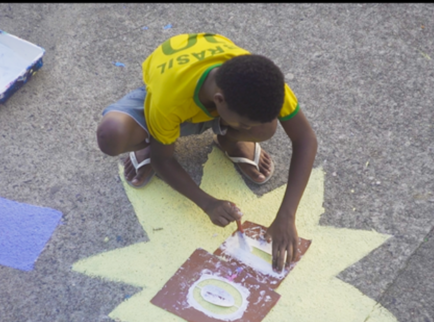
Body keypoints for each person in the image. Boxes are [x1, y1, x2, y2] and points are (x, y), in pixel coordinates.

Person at [96, 33, 317, 271]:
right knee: (112, 135)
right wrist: (208, 203)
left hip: (206, 101)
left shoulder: (264, 83)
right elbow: (164, 160)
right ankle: (151, 138)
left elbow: (305, 139)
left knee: (267, 125)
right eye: (244, 124)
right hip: (172, 96)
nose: (250, 129)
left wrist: (287, 214)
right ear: (219, 100)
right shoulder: (169, 98)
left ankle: (229, 141)